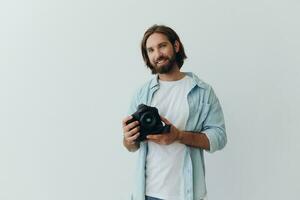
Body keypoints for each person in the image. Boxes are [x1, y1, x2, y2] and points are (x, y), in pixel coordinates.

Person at [122, 24, 227, 200]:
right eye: (151, 50)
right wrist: (128, 138)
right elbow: (131, 146)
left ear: (176, 46)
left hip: (186, 193)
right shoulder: (141, 93)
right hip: (147, 193)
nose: (157, 54)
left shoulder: (202, 91)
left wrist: (178, 136)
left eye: (162, 46)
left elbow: (219, 137)